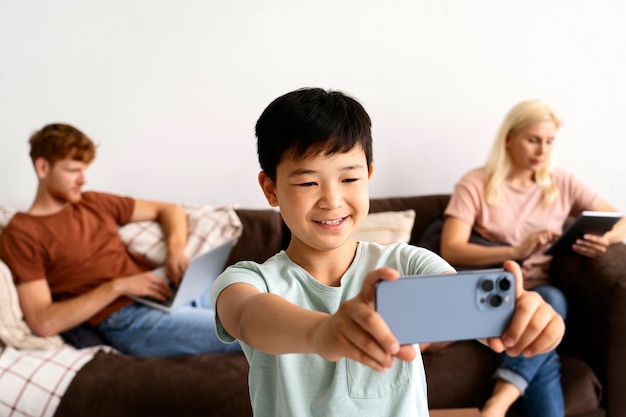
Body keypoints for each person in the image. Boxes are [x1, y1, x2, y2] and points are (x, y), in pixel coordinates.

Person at [209, 88, 566, 417]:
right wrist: (325, 333)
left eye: (349, 179)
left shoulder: (407, 262)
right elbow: (247, 316)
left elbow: (468, 309)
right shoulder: (249, 280)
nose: (332, 200)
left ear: (369, 175)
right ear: (270, 189)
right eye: (307, 182)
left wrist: (537, 325)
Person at [440, 99, 626, 417]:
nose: (542, 150)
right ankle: (498, 402)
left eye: (549, 142)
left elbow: (620, 219)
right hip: (488, 291)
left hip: (537, 294)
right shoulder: (475, 183)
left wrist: (603, 239)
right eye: (533, 140)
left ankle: (497, 403)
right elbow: (451, 249)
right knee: (547, 317)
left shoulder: (560, 182)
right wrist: (515, 251)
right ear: (509, 139)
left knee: (546, 306)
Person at [0, 123, 241, 356]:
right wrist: (119, 286)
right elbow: (43, 321)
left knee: (262, 306)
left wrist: (176, 251)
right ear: (42, 168)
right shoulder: (21, 233)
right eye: (73, 170)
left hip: (165, 291)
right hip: (124, 319)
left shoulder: (92, 202)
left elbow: (169, 210)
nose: (83, 180)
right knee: (249, 331)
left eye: (85, 170)